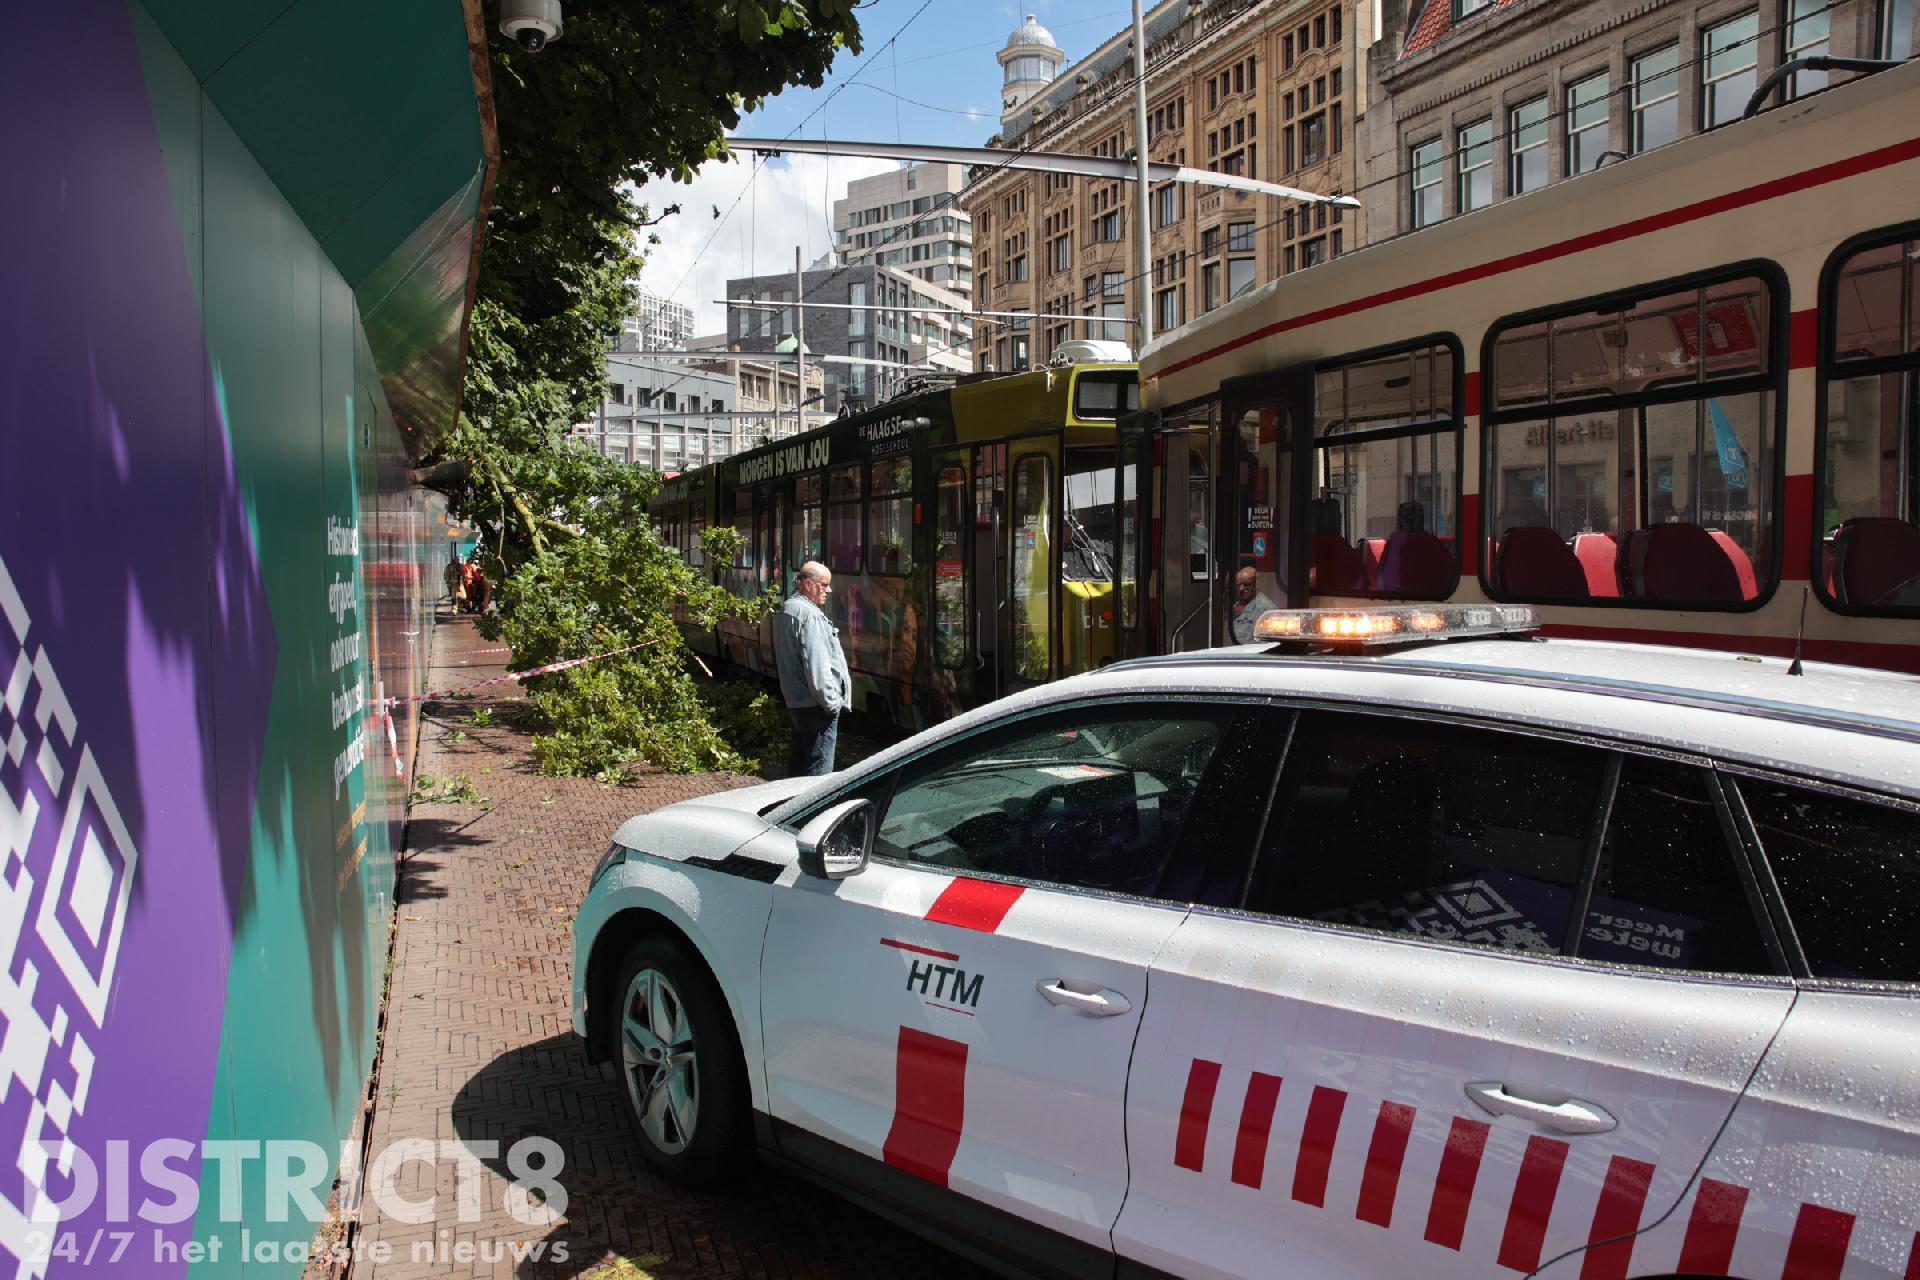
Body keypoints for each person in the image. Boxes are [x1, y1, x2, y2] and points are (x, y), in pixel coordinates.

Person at [774, 561, 851, 776]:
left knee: (798, 767)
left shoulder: (788, 609)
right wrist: (832, 703)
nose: (829, 590)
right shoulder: (811, 616)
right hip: (816, 706)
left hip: (796, 702)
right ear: (809, 585)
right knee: (818, 774)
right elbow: (817, 668)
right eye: (824, 585)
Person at [1230, 564, 1278, 643]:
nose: (1241, 589)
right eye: (1238, 585)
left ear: (1257, 584)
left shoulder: (1265, 609)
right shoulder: (1236, 606)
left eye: (1247, 585)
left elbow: (1264, 642)